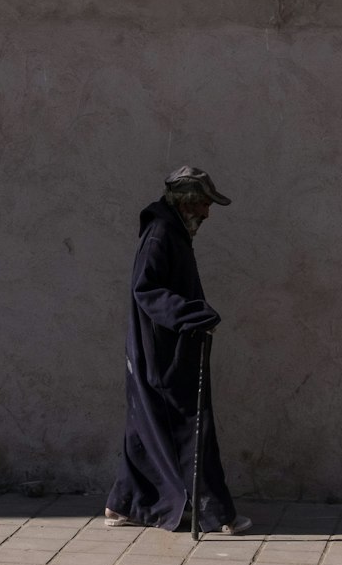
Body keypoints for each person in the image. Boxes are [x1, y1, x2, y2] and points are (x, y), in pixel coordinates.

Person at [104, 165, 251, 535]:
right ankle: (217, 514)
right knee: (191, 426)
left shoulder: (172, 231)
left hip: (160, 349)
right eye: (203, 203)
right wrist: (192, 315)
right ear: (187, 201)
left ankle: (125, 503)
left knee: (145, 426)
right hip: (163, 353)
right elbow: (146, 290)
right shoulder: (161, 234)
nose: (206, 212)